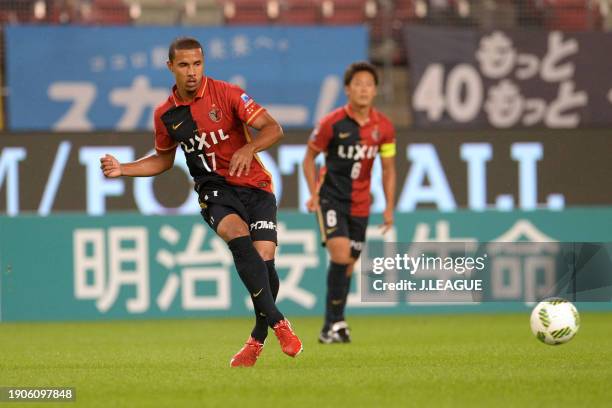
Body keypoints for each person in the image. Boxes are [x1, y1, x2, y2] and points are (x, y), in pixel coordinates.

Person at [100, 37, 302, 367]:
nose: (191, 72)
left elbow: (273, 128)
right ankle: (280, 324)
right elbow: (163, 161)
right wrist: (124, 169)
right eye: (183, 65)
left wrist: (249, 148)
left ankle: (256, 339)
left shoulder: (228, 93)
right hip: (214, 189)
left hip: (255, 185)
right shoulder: (167, 114)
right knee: (239, 239)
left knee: (264, 262)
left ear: (203, 63)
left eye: (197, 64)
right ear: (170, 67)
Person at [302, 61, 396, 344]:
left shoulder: (384, 127)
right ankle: (335, 323)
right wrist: (313, 193)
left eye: (369, 84)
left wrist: (389, 206)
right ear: (347, 90)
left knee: (348, 264)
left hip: (361, 205)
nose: (364, 89)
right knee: (341, 255)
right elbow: (309, 158)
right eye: (358, 84)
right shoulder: (331, 123)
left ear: (375, 90)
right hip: (331, 198)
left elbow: (389, 168)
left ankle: (331, 326)